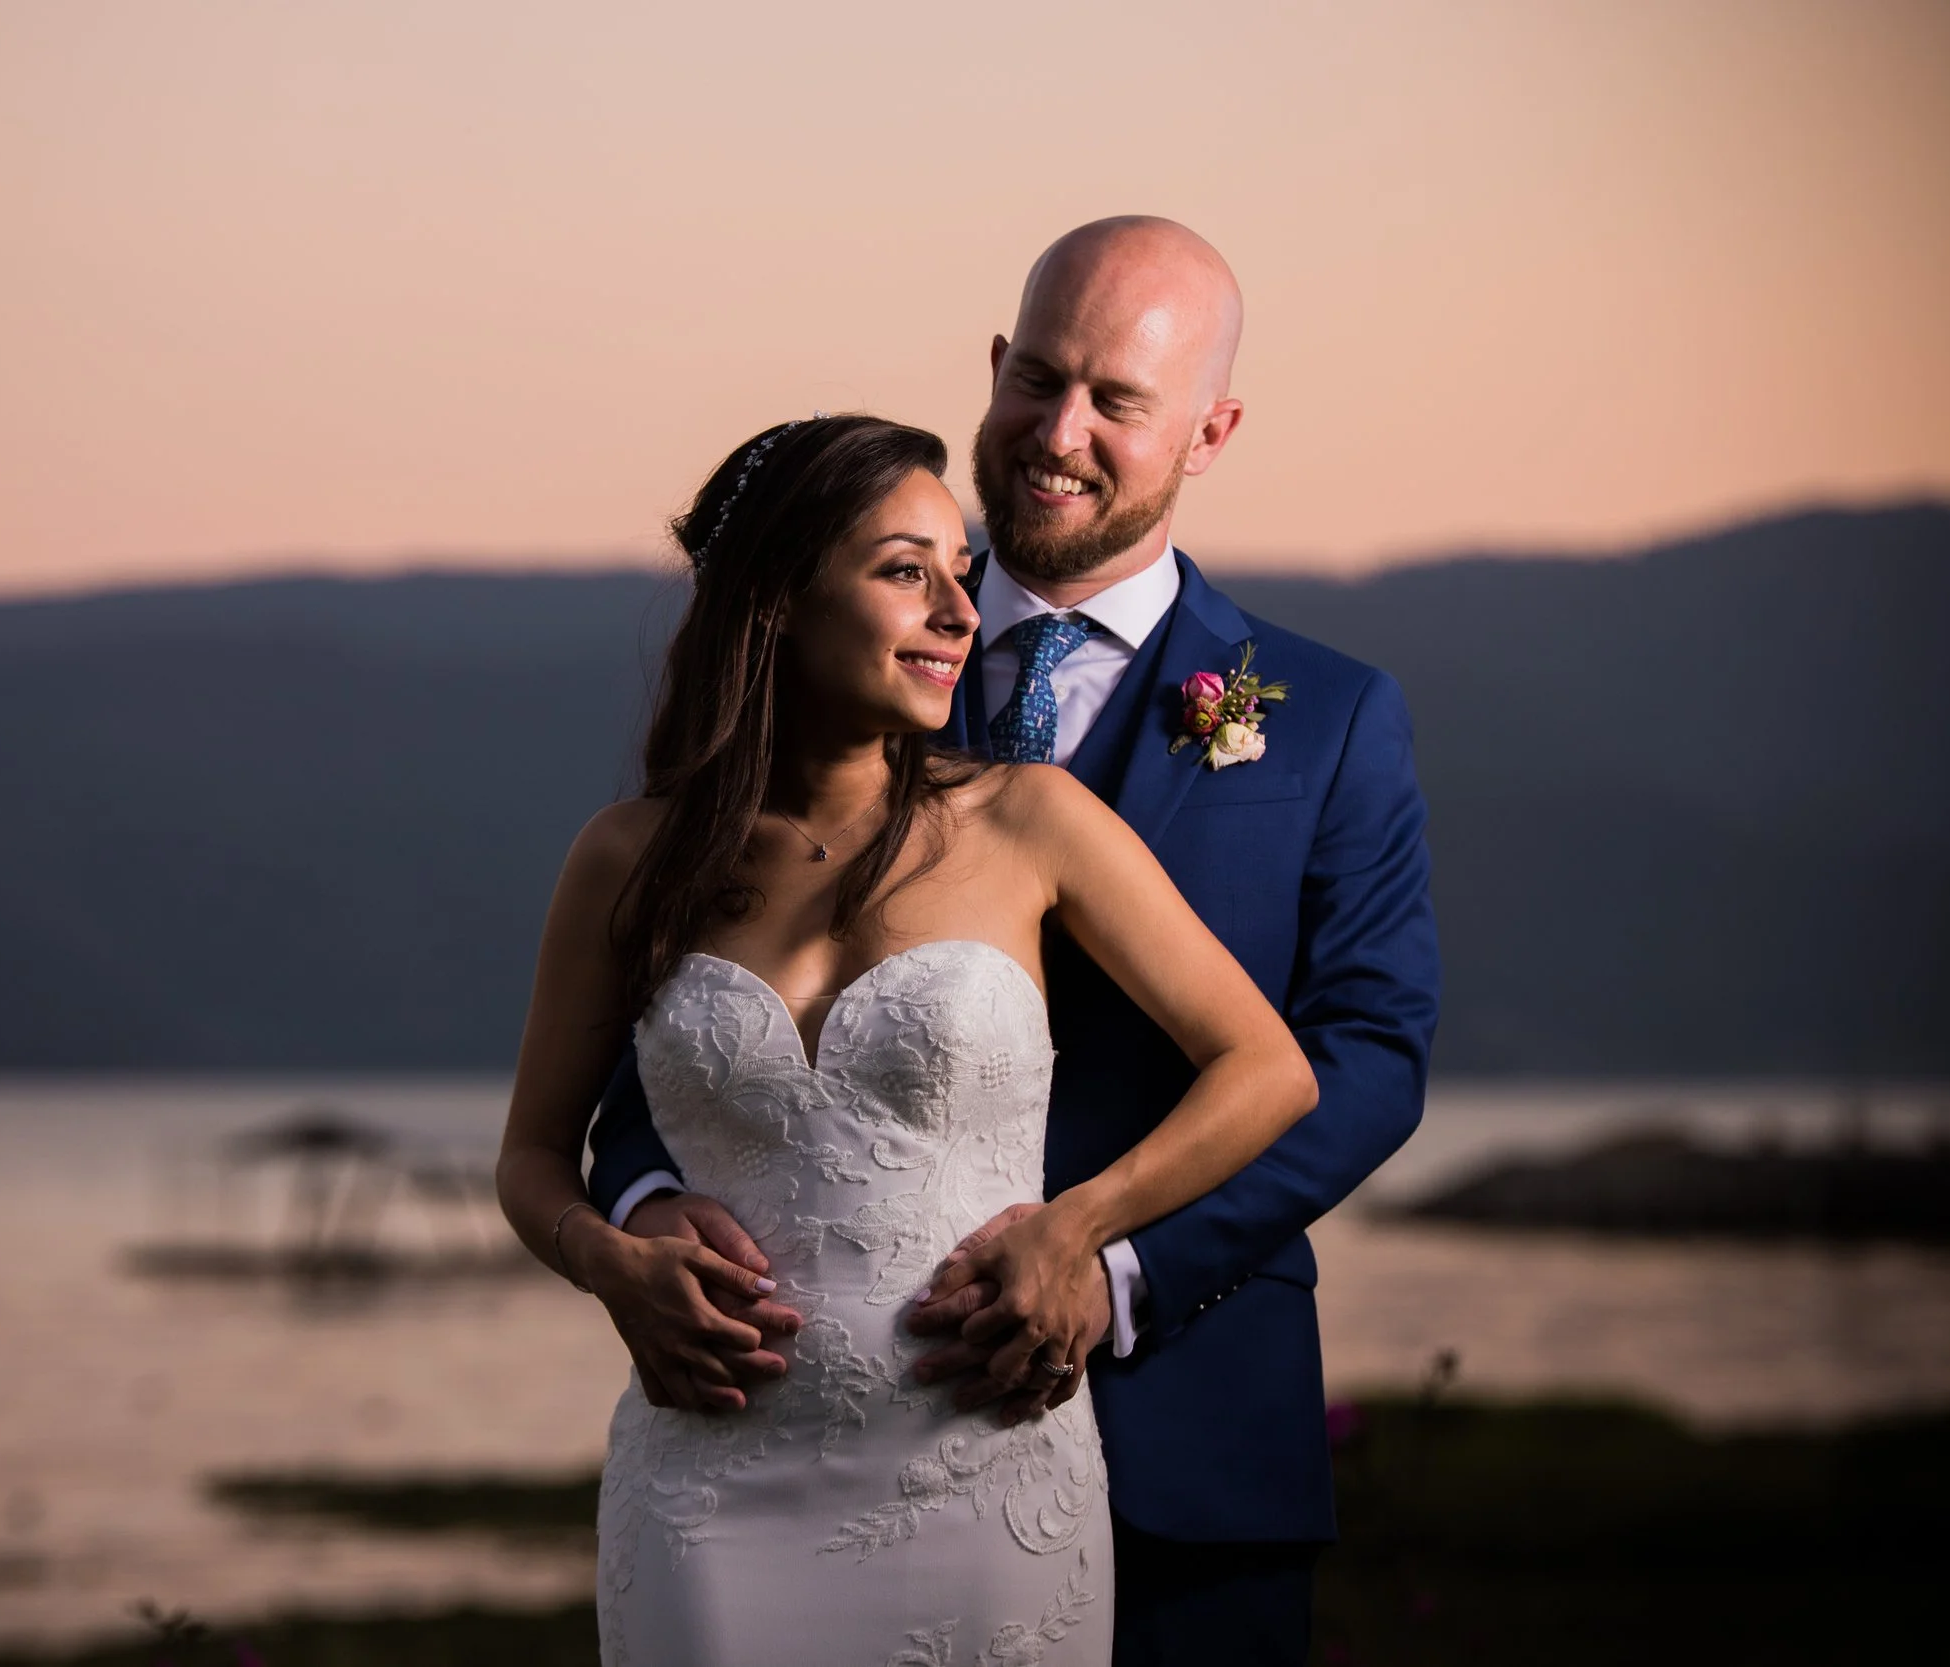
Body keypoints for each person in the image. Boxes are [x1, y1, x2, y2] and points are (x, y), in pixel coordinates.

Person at [583, 218, 1442, 1665]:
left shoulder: (1326, 713)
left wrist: (1107, 1257)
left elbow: (1365, 1058)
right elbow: (666, 1029)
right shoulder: (848, 636)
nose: (1059, 433)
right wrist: (652, 1206)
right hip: (805, 1434)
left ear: (1210, 430)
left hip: (1189, 1425)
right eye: (1036, 378)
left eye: (1117, 400)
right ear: (991, 367)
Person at [496, 412, 1318, 1666]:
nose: (957, 609)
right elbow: (535, 1156)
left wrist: (1076, 1224)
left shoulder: (1029, 820)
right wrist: (609, 1261)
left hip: (982, 1475)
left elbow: (1267, 1068)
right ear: (775, 597)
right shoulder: (629, 858)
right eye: (903, 569)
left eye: (958, 568)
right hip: (707, 1486)